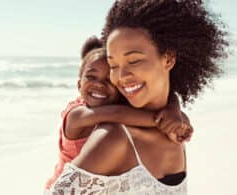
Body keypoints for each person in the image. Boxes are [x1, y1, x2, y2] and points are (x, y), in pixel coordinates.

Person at [48, 0, 228, 194]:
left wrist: (173, 111)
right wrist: (164, 119)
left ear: (168, 58)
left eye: (133, 61)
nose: (121, 76)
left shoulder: (174, 129)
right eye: (114, 65)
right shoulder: (113, 138)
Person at [45, 36, 193, 191]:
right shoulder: (76, 115)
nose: (99, 84)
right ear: (79, 84)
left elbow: (167, 95)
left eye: (109, 80)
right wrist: (167, 121)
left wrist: (173, 110)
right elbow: (116, 113)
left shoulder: (117, 106)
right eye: (91, 77)